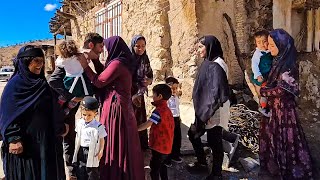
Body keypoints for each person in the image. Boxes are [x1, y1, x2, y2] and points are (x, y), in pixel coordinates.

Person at [78, 36, 145, 180]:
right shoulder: (121, 62)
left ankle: (116, 173)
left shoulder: (117, 64)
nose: (104, 51)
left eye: (106, 48)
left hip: (116, 108)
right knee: (120, 141)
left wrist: (85, 66)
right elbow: (105, 73)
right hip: (121, 106)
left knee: (114, 139)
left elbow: (100, 81)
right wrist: (95, 60)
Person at [0, 45, 68, 179]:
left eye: (42, 61)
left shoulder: (42, 83)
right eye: (36, 61)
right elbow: (7, 114)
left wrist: (60, 125)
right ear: (25, 62)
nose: (40, 65)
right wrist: (14, 138)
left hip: (45, 142)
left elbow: (52, 108)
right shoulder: (14, 86)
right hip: (25, 144)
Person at [48, 32, 104, 179]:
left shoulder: (81, 61)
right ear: (91, 46)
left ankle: (72, 169)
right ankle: (67, 171)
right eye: (100, 47)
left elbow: (94, 77)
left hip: (70, 107)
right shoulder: (66, 62)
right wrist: (72, 97)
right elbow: (53, 81)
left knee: (70, 136)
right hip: (60, 106)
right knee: (63, 137)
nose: (102, 50)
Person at [259, 29, 313, 179]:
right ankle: (275, 169)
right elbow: (271, 83)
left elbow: (283, 90)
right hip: (274, 111)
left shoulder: (289, 66)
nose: (268, 47)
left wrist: (264, 92)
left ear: (281, 45)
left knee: (287, 142)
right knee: (274, 140)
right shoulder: (277, 62)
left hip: (284, 113)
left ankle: (290, 172)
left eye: (271, 45)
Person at [187, 36, 230, 180]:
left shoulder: (218, 65)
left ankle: (216, 173)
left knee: (214, 141)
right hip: (205, 108)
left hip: (214, 110)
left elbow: (217, 92)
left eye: (201, 47)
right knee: (193, 134)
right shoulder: (209, 61)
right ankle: (202, 162)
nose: (198, 50)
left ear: (210, 46)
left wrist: (209, 112)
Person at [138, 84, 174, 180]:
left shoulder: (158, 111)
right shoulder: (168, 110)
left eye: (153, 94)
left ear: (160, 96)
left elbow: (147, 124)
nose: (152, 96)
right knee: (162, 167)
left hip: (159, 147)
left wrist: (135, 129)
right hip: (167, 146)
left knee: (154, 170)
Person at [55, 40, 94, 115]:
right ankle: (69, 107)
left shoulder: (62, 60)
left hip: (69, 80)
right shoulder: (80, 56)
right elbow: (87, 59)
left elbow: (57, 64)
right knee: (82, 96)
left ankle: (60, 103)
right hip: (80, 81)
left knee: (67, 93)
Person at [72, 96, 107, 180]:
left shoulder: (98, 126)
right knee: (81, 170)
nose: (86, 117)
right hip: (81, 150)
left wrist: (101, 150)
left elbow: (102, 139)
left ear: (95, 114)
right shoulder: (80, 123)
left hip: (92, 151)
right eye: (84, 114)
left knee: (92, 172)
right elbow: (77, 136)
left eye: (89, 115)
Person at [131, 35, 153, 150]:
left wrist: (148, 81)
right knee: (131, 118)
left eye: (143, 46)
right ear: (132, 46)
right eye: (137, 46)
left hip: (139, 94)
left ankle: (141, 145)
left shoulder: (145, 59)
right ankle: (132, 144)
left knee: (140, 118)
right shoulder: (128, 60)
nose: (140, 49)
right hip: (130, 94)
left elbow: (150, 75)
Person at [250, 30, 273, 117]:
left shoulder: (269, 51)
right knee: (263, 93)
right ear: (256, 44)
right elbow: (254, 65)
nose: (262, 44)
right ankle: (262, 108)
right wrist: (258, 75)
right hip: (260, 76)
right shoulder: (257, 54)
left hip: (268, 75)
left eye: (264, 41)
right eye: (259, 42)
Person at [164, 77, 183, 167]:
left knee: (177, 138)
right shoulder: (166, 98)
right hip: (169, 119)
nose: (174, 90)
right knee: (169, 139)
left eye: (176, 88)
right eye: (173, 88)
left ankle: (176, 155)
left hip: (176, 119)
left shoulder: (176, 97)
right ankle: (167, 158)